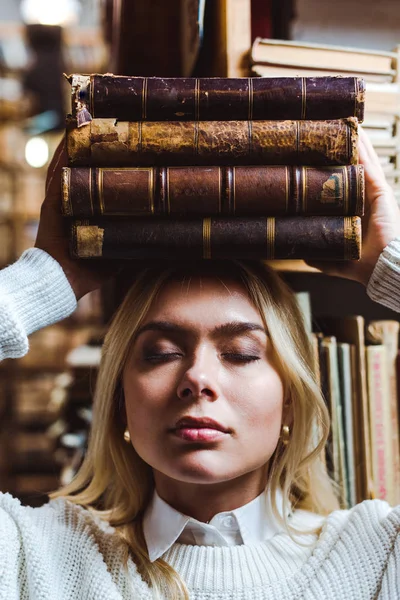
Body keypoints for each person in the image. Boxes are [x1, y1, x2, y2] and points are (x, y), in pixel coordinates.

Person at [0, 126, 399, 599]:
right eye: (161, 353)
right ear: (121, 400)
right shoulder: (30, 551)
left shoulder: (376, 554)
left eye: (241, 354)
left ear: (291, 400)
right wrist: (45, 280)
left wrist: (387, 260)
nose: (197, 378)